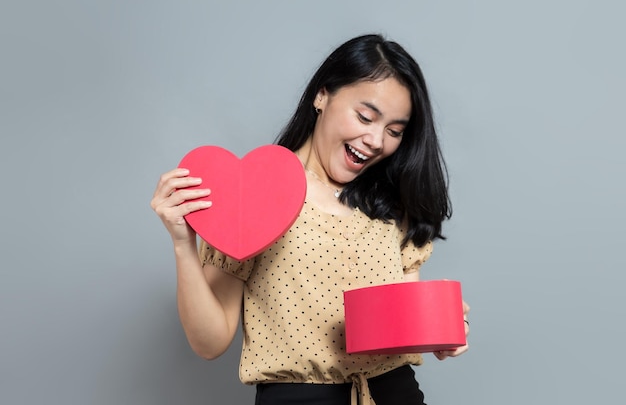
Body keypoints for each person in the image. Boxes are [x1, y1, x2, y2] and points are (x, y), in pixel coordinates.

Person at [151, 34, 469, 405]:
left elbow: (403, 322)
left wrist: (441, 329)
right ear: (322, 95)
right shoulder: (256, 194)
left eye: (395, 131)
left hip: (395, 393)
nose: (375, 140)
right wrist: (182, 244)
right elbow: (209, 342)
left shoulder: (392, 205)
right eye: (365, 117)